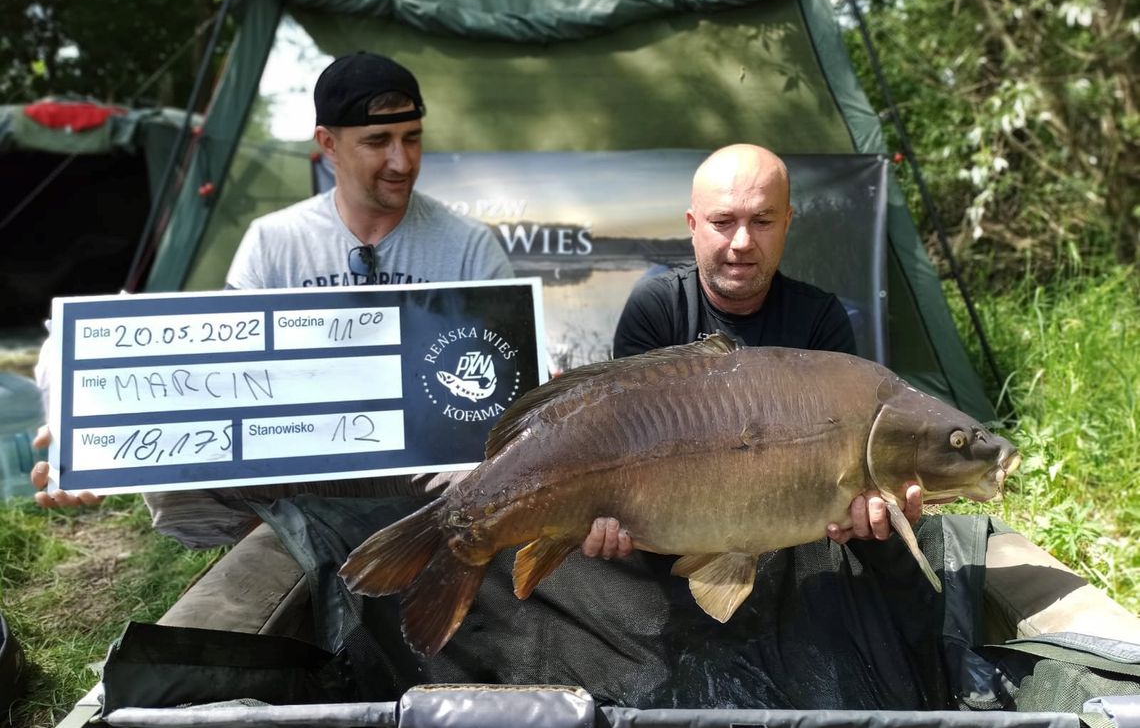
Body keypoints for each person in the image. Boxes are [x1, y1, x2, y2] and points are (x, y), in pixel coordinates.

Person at [29, 52, 514, 547]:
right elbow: (218, 373)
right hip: (303, 470)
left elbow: (509, 394)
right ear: (328, 143)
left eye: (412, 138)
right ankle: (289, 553)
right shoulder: (273, 241)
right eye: (377, 141)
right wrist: (87, 441)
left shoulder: (470, 246)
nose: (402, 161)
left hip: (425, 482)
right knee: (182, 473)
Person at [580, 144, 923, 560]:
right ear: (693, 225)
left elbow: (847, 465)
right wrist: (605, 516)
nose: (742, 242)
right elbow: (622, 444)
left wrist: (867, 511)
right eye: (723, 221)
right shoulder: (655, 307)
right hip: (675, 533)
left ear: (786, 222)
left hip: (789, 542)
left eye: (762, 220)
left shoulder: (820, 318)